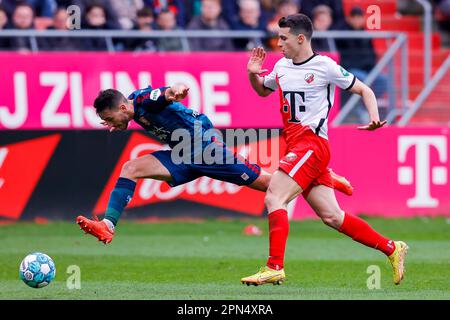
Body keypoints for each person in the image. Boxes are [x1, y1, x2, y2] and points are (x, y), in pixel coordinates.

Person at [240, 14, 408, 286]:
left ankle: (274, 266)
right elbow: (262, 91)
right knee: (332, 216)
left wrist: (375, 118)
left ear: (300, 38)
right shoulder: (282, 67)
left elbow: (365, 90)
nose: (279, 43)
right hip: (296, 146)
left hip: (312, 144)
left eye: (283, 38)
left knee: (274, 197)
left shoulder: (324, 66)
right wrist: (252, 73)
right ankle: (392, 248)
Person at [76, 84, 353, 244]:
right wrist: (119, 124)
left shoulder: (145, 100)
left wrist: (176, 91)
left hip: (205, 147)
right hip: (182, 154)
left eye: (110, 119)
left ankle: (319, 174)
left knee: (271, 186)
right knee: (130, 168)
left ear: (123, 108)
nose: (110, 124)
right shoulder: (131, 109)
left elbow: (166, 93)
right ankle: (108, 226)